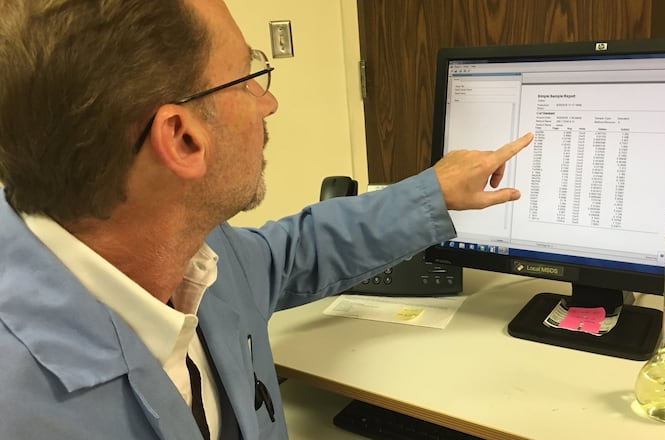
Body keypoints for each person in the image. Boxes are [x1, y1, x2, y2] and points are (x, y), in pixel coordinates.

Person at [0, 0, 534, 438]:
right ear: (183, 138)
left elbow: (295, 253)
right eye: (249, 77)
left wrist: (433, 192)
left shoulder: (200, 252)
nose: (269, 102)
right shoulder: (23, 408)